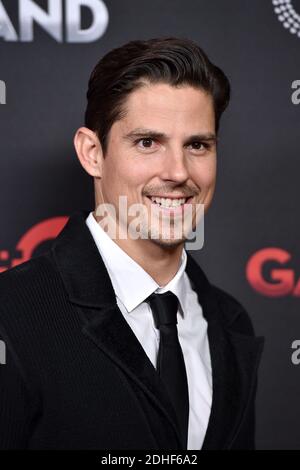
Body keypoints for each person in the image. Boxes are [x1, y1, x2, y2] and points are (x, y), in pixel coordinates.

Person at [0, 37, 264, 450]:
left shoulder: (231, 322)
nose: (178, 172)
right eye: (147, 143)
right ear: (92, 153)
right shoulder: (12, 314)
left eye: (197, 145)